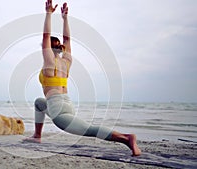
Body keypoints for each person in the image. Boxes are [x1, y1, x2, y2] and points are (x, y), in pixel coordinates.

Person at [24, 0, 141, 156]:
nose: (42, 47)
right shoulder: (66, 60)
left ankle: (126, 138)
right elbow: (67, 40)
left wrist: (48, 14)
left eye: (44, 46)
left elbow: (46, 35)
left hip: (58, 109)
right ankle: (37, 136)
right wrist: (65, 18)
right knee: (39, 103)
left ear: (48, 48)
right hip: (65, 103)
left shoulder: (49, 61)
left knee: (89, 130)